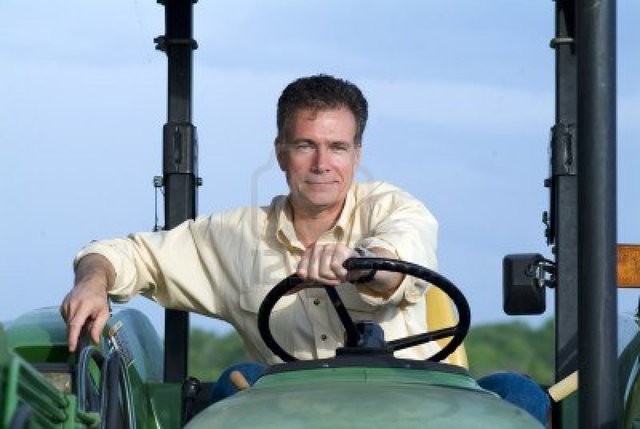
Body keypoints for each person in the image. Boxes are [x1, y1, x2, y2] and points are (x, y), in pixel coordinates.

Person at [60, 74, 548, 424]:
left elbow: (402, 261)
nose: (321, 164)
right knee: (236, 381)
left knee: (518, 395)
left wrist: (358, 267)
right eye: (305, 145)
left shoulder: (395, 209)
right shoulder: (236, 236)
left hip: (414, 402)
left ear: (357, 155)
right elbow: (130, 254)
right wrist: (94, 279)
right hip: (294, 412)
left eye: (337, 148)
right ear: (280, 152)